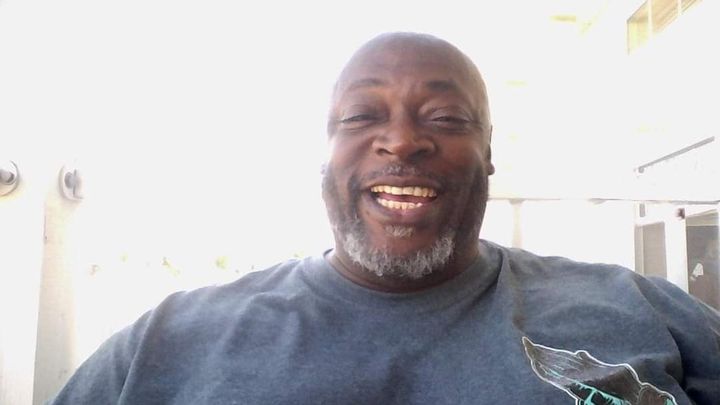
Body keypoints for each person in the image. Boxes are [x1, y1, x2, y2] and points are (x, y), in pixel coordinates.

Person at [50, 32, 719, 405]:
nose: (400, 142)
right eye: (363, 116)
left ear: (488, 154)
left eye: (445, 118)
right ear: (324, 155)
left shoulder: (643, 309)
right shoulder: (165, 344)